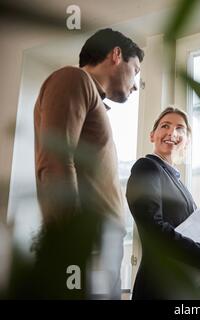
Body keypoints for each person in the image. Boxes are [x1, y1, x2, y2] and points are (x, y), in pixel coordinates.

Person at [33, 28, 144, 299]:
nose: (135, 84)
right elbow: (56, 162)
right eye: (136, 70)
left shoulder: (92, 97)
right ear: (116, 55)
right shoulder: (74, 78)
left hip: (99, 242)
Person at [126, 107, 200, 300]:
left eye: (180, 128)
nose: (172, 133)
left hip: (186, 287)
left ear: (187, 141)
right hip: (160, 288)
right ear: (152, 135)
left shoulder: (179, 183)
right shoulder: (146, 168)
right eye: (165, 126)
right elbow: (153, 228)